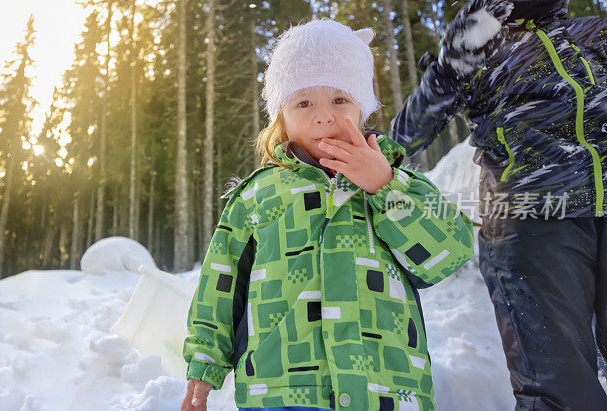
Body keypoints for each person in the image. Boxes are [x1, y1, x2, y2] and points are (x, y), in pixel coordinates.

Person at [180, 19, 475, 411]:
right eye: (304, 103)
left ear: (362, 106)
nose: (323, 116)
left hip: (385, 389)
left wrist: (385, 186)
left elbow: (451, 250)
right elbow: (219, 287)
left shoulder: (398, 182)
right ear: (280, 115)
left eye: (339, 99)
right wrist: (203, 366)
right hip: (282, 390)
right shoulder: (255, 196)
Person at [390, 0, 607, 409]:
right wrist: (448, 71)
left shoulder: (594, 33)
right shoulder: (480, 41)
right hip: (533, 221)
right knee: (563, 389)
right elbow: (402, 138)